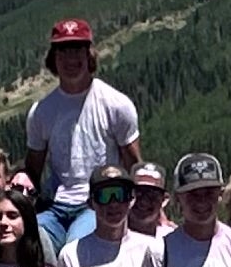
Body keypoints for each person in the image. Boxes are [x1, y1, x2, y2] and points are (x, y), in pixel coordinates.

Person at [24, 15, 144, 252]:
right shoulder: (41, 112)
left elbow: (135, 166)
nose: (71, 58)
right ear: (53, 58)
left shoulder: (116, 105)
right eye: (63, 51)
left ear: (89, 55)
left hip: (99, 203)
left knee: (76, 249)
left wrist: (147, 211)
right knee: (29, 240)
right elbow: (32, 171)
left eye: (77, 50)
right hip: (56, 206)